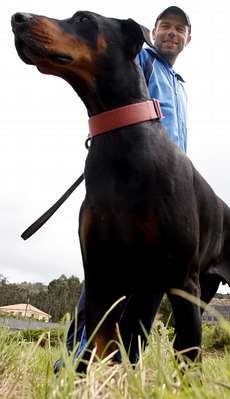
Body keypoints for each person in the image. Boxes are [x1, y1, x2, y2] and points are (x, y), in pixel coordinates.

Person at [58, 6, 192, 369]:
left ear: (188, 39)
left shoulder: (179, 85)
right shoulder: (140, 59)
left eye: (180, 30)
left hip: (168, 186)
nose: (172, 33)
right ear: (154, 31)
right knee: (107, 266)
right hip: (130, 176)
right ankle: (78, 357)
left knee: (158, 273)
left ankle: (125, 361)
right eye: (166, 26)